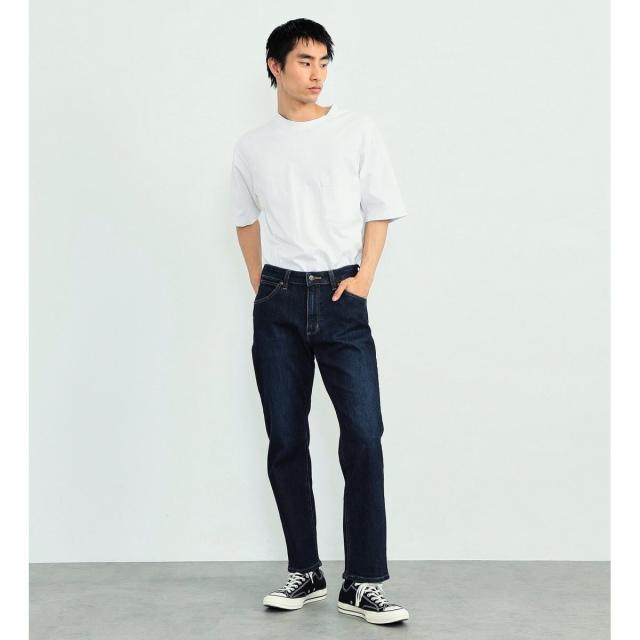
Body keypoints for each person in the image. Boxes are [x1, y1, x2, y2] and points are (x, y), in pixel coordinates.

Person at [230, 18, 410, 625]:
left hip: (340, 297)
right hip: (279, 301)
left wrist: (364, 280)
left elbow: (380, 209)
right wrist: (262, 285)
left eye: (324, 62)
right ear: (275, 66)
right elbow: (244, 219)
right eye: (305, 61)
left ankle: (363, 582)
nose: (317, 74)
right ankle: (304, 570)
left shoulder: (356, 130)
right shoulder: (252, 147)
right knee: (286, 439)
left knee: (363, 435)